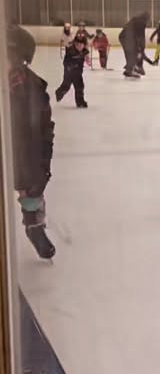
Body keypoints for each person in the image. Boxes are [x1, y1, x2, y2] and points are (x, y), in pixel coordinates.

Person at [7, 25, 56, 259]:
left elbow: (44, 130)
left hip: (22, 152)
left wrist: (43, 165)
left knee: (32, 191)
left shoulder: (33, 88)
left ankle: (34, 228)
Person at [55, 35, 88, 106]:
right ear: (74, 44)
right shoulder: (70, 51)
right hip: (69, 74)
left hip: (78, 73)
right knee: (66, 86)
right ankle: (59, 93)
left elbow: (85, 54)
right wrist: (70, 66)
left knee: (80, 87)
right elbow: (65, 62)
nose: (79, 46)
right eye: (77, 44)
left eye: (81, 44)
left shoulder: (84, 51)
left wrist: (87, 58)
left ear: (84, 45)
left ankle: (80, 102)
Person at [118, 11, 149, 78]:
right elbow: (140, 36)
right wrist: (141, 48)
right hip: (128, 38)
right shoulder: (141, 23)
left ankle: (129, 69)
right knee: (133, 53)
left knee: (130, 53)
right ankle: (131, 70)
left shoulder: (135, 19)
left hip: (123, 37)